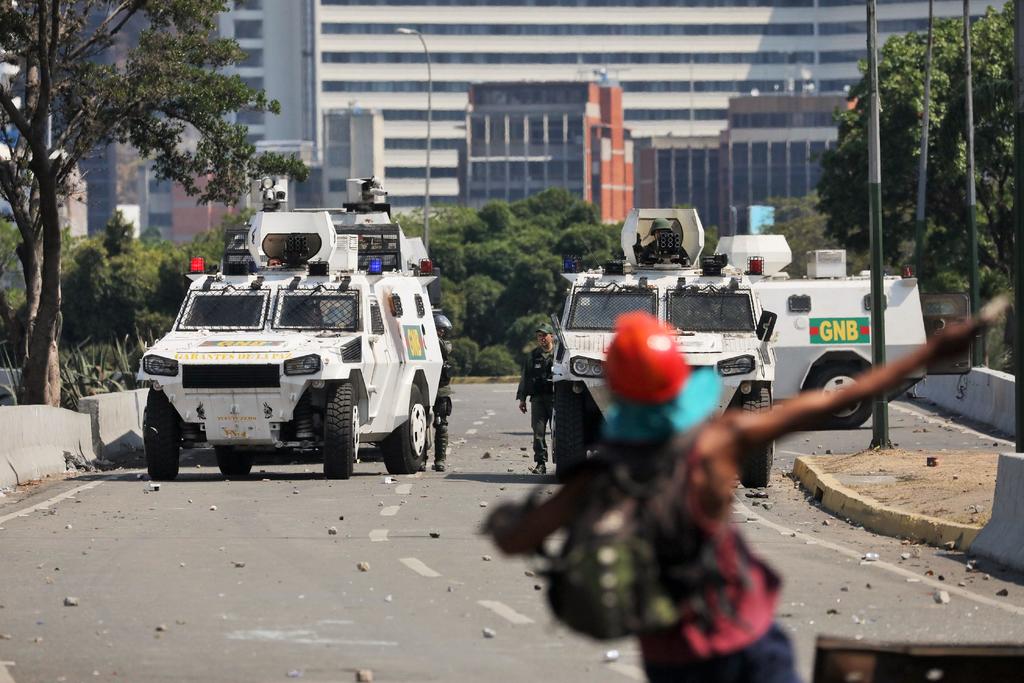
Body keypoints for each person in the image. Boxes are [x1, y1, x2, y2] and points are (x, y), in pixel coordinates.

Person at [486, 302, 1000, 683]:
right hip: (745, 646)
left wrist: (508, 519)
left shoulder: (596, 479)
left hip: (669, 662)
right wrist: (933, 351)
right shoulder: (714, 447)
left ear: (616, 389)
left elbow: (514, 538)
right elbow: (827, 403)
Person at [516, 323, 556, 474]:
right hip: (538, 399)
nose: (542, 338)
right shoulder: (532, 356)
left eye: (544, 335)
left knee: (559, 432)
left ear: (552, 336)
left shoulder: (560, 354)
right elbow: (525, 377)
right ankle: (541, 463)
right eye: (539, 336)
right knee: (538, 432)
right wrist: (522, 399)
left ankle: (563, 462)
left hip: (556, 399)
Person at [432, 312, 454, 472]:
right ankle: (421, 460)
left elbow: (446, 349)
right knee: (422, 424)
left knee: (441, 424)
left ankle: (440, 460)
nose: (441, 332)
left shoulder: (443, 344)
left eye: (442, 330)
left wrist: (434, 337)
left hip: (441, 389)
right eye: (438, 329)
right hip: (424, 388)